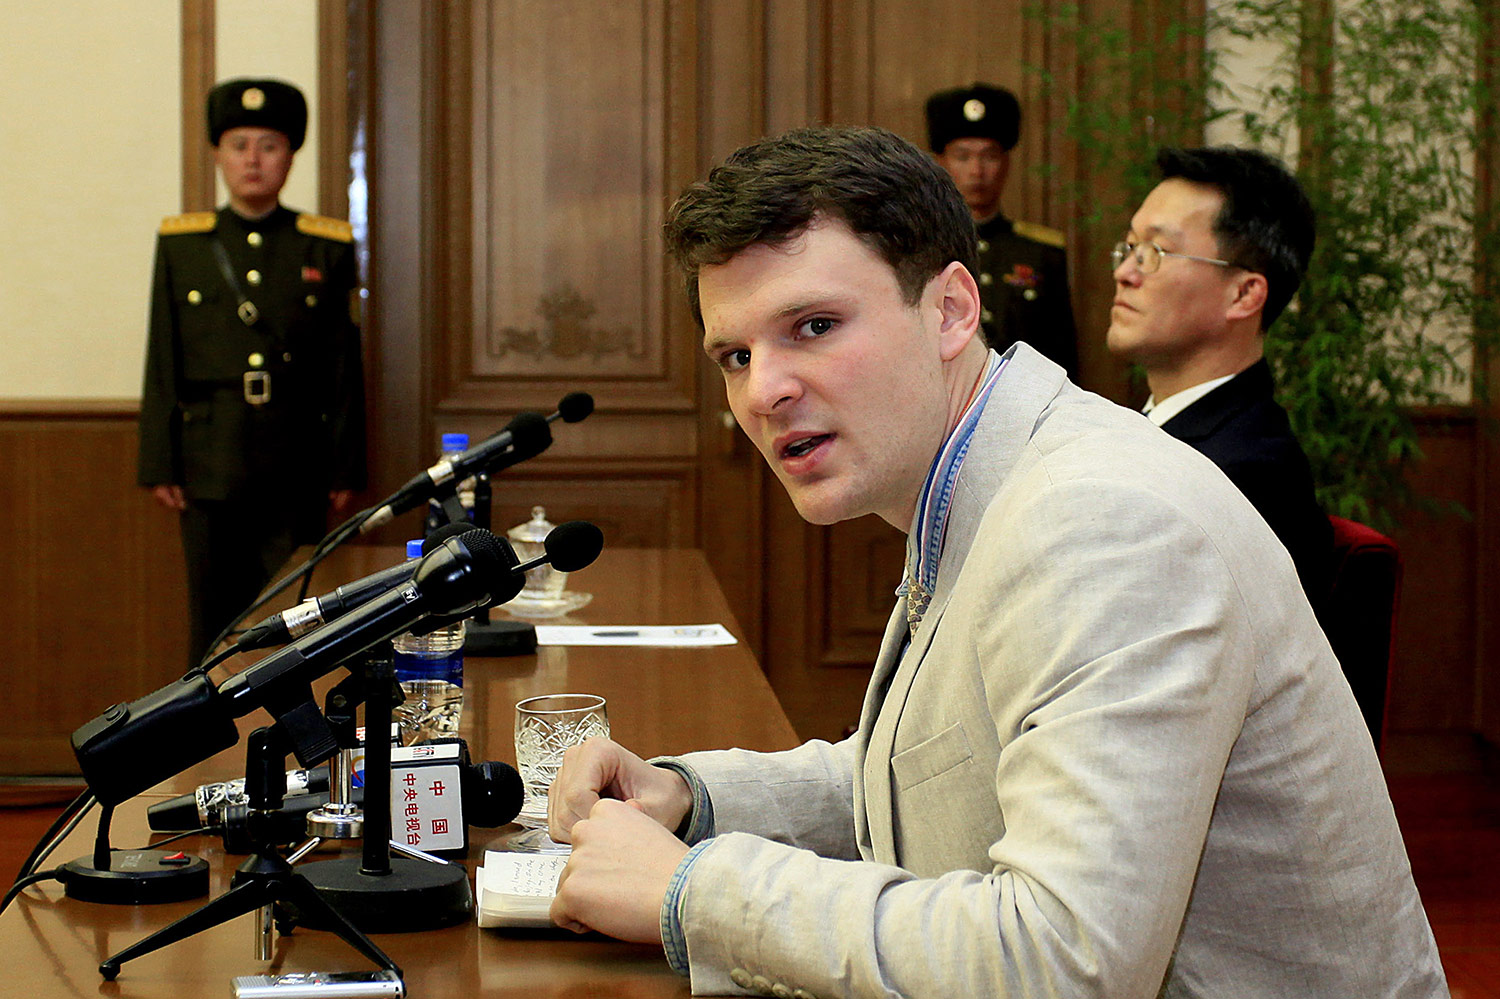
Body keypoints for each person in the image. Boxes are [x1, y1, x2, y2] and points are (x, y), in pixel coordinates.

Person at [541, 125, 1445, 998]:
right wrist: (691, 799)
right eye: (735, 354)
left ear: (950, 309)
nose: (763, 389)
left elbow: (1063, 963)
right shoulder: (984, 474)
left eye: (813, 325)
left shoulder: (1100, 520)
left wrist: (692, 890)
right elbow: (924, 774)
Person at [137, 78, 366, 666]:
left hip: (299, 461)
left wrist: (345, 463)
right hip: (209, 460)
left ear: (290, 157)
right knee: (212, 621)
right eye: (239, 145)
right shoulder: (184, 244)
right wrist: (160, 460)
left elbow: (343, 366)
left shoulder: (325, 246)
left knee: (299, 618)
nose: (253, 160)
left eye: (269, 145)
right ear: (218, 154)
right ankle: (206, 753)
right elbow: (163, 355)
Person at [1107, 146, 1332, 616]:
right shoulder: (1135, 432)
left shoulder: (1247, 473)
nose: (1125, 272)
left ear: (1244, 293)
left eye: (1155, 252)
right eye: (1130, 247)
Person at [926, 82, 1079, 379]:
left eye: (989, 156)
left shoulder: (1041, 252)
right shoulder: (921, 249)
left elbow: (1063, 358)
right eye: (962, 156)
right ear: (941, 161)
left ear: (1007, 162)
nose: (977, 170)